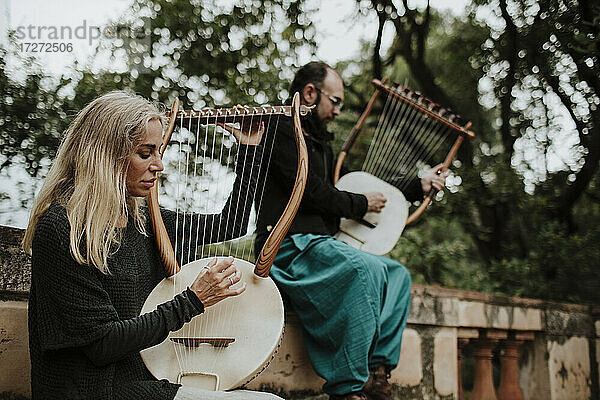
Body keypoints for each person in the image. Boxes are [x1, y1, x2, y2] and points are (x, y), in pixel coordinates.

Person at [22, 91, 282, 400]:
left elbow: (231, 225)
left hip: (148, 385)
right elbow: (101, 345)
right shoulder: (61, 228)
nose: (158, 165)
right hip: (92, 391)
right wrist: (193, 300)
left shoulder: (145, 221)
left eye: (159, 152)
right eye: (146, 153)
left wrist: (249, 149)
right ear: (106, 154)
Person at [255, 62, 448, 400]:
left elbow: (342, 193)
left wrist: (418, 185)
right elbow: (312, 192)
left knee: (397, 275)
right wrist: (359, 203)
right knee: (365, 267)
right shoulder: (282, 130)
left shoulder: (320, 142)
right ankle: (346, 389)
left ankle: (378, 370)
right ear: (311, 93)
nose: (339, 110)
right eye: (336, 101)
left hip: (320, 246)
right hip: (288, 246)